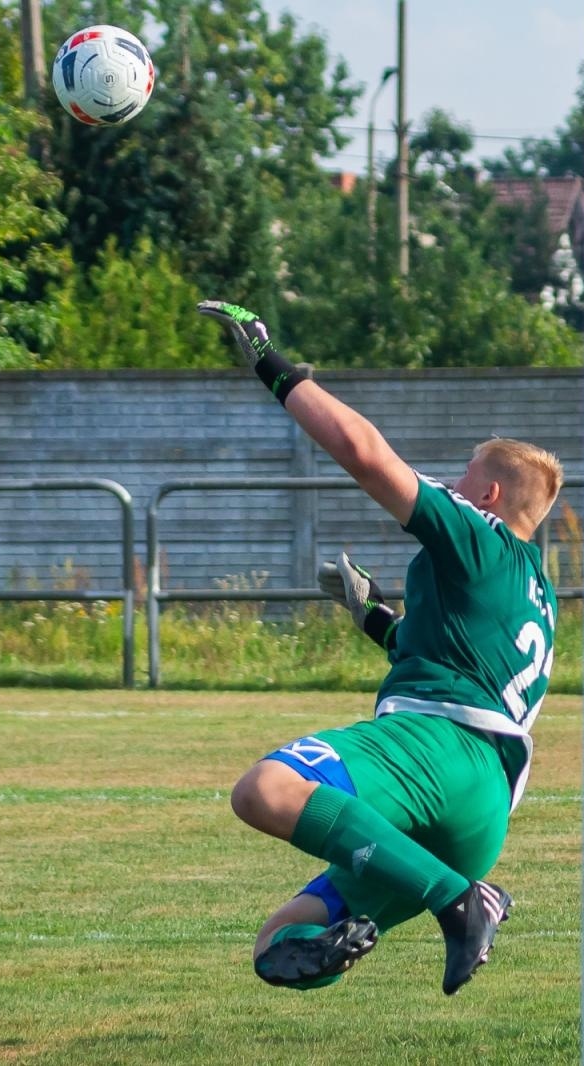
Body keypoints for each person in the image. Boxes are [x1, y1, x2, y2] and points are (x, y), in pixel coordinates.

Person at [196, 300, 563, 995]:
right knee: (280, 943)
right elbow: (449, 659)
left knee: (265, 790)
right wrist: (373, 618)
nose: (451, 486)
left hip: (438, 749)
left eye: (462, 477)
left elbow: (365, 455)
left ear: (488, 494)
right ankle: (458, 891)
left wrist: (273, 367)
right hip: (481, 813)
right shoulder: (536, 591)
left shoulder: (479, 533)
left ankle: (462, 903)